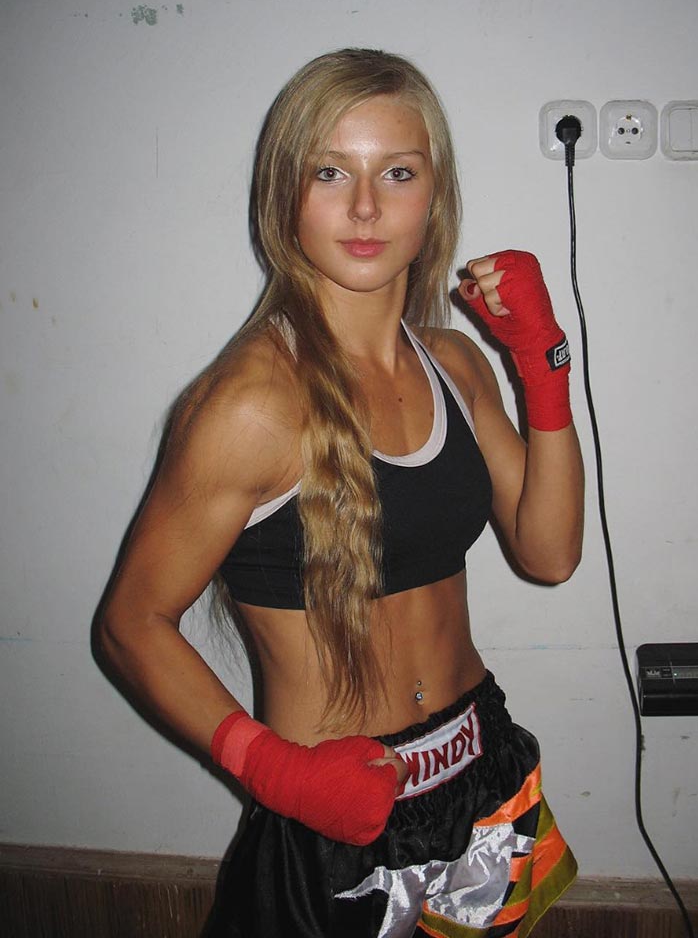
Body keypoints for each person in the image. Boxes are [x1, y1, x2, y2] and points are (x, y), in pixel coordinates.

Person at [100, 47, 584, 937]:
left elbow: (550, 554)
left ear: (433, 194)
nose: (366, 207)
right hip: (334, 814)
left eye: (397, 172)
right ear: (284, 193)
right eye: (331, 172)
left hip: (482, 772)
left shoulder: (455, 364)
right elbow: (130, 624)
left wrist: (544, 365)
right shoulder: (251, 404)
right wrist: (274, 771)